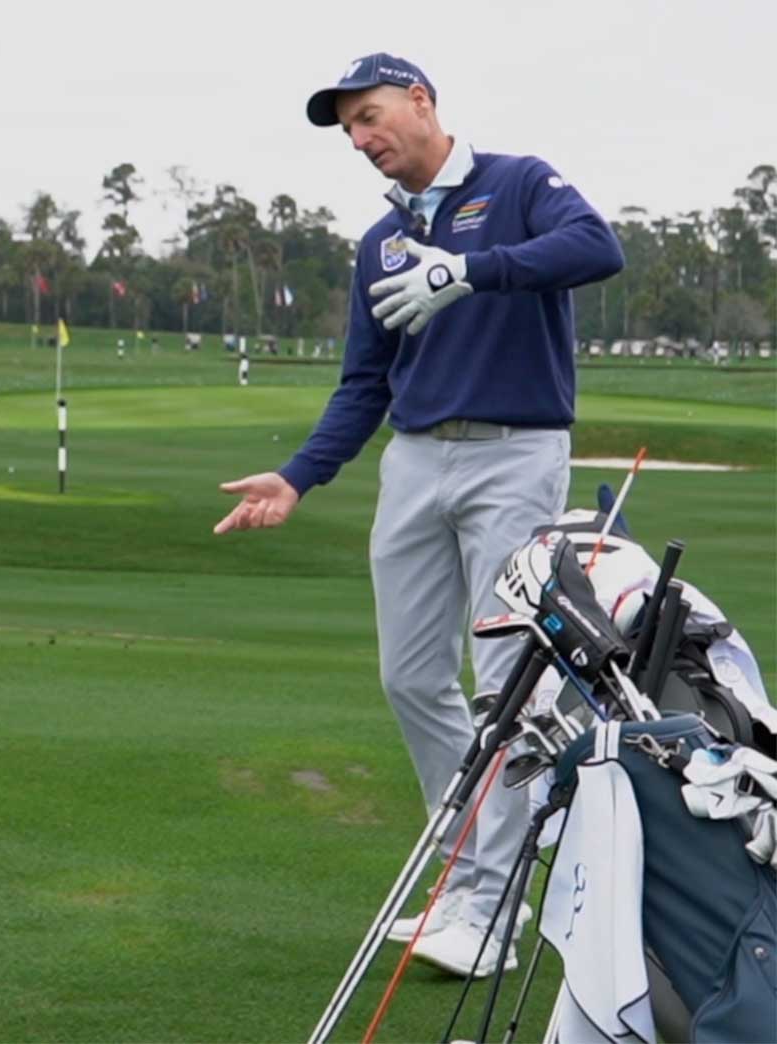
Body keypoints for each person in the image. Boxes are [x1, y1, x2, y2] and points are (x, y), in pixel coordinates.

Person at [212, 53, 624, 978]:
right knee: (410, 678)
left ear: (420, 101)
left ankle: (493, 908)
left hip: (514, 456)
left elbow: (597, 247)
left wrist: (470, 273)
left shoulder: (518, 185)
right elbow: (365, 381)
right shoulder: (379, 244)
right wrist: (296, 477)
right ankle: (465, 878)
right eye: (349, 130)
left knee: (503, 683)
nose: (361, 140)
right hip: (415, 462)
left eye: (369, 117)